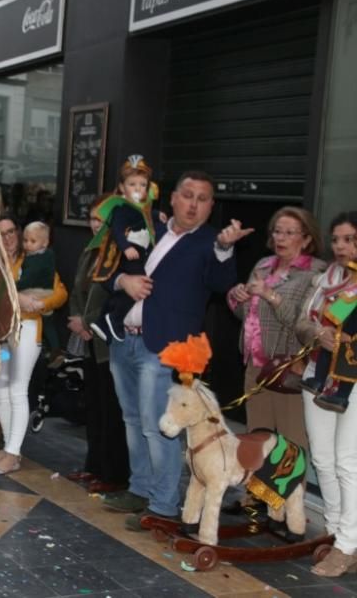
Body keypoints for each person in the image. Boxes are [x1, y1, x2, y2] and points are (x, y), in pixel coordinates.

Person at [102, 170, 252, 530]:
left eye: (202, 199)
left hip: (167, 349)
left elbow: (220, 282)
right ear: (172, 198)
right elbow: (108, 270)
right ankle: (139, 489)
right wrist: (124, 280)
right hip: (125, 337)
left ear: (210, 206)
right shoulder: (149, 228)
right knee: (132, 420)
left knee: (160, 427)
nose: (193, 204)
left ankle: (164, 505)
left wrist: (225, 247)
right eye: (188, 195)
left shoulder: (211, 243)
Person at [227, 207, 324, 449]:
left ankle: (292, 489)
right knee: (258, 438)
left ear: (307, 238)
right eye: (277, 231)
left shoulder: (317, 272)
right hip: (254, 365)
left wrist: (270, 295)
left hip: (289, 367)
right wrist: (239, 296)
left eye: (289, 232)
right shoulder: (263, 264)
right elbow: (244, 315)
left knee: (291, 442)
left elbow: (301, 322)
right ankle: (257, 489)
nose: (281, 238)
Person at [295, 211, 357, 576]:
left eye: (350, 239)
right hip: (318, 373)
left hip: (353, 379)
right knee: (322, 458)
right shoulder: (325, 279)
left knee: (348, 460)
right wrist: (318, 333)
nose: (341, 247)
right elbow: (303, 321)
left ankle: (348, 543)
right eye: (337, 240)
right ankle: (333, 530)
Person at [0, 215, 67, 475]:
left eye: (10, 232)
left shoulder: (34, 259)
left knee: (17, 390)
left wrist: (40, 304)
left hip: (27, 329)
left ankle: (13, 452)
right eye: (1, 233)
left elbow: (60, 292)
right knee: (0, 391)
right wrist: (17, 297)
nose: (7, 238)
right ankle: (9, 449)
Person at [68, 199, 129, 493]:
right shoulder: (90, 250)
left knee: (110, 410)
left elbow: (113, 298)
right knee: (93, 406)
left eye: (101, 219)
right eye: (92, 218)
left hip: (107, 341)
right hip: (88, 338)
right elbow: (77, 290)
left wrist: (90, 322)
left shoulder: (120, 252)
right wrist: (77, 318)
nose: (95, 224)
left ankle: (113, 474)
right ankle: (94, 466)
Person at [88, 155, 165, 343]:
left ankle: (102, 321)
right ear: (122, 188)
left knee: (130, 289)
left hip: (139, 251)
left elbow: (144, 214)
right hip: (129, 254)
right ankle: (114, 318)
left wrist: (158, 214)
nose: (138, 189)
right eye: (132, 184)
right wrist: (126, 247)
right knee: (140, 285)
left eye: (142, 184)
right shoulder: (121, 207)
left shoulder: (142, 207)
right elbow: (116, 229)